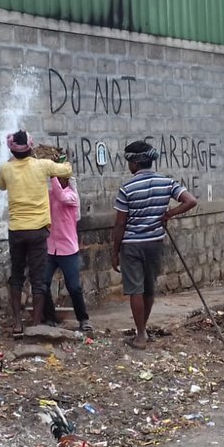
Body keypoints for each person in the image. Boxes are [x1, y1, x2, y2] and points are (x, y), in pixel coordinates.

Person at [111, 141, 198, 350]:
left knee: (135, 290)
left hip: (132, 244)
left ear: (135, 163)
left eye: (129, 161)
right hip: (155, 242)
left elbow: (120, 223)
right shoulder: (166, 182)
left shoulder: (127, 188)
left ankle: (140, 334)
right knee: (149, 288)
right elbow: (190, 201)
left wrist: (114, 252)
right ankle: (143, 329)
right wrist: (169, 214)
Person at [0, 130, 72, 335]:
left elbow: (1, 186)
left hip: (17, 230)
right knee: (38, 278)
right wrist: (63, 158)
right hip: (38, 230)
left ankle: (18, 323)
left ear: (12, 149)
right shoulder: (42, 165)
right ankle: (36, 325)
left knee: (17, 276)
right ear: (31, 147)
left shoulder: (5, 168)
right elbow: (66, 171)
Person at [41, 170, 94, 333]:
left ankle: (83, 319)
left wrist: (52, 175)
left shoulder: (71, 196)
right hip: (50, 248)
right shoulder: (49, 195)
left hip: (68, 250)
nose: (58, 181)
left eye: (61, 177)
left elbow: (61, 196)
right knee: (42, 284)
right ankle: (49, 318)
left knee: (74, 287)